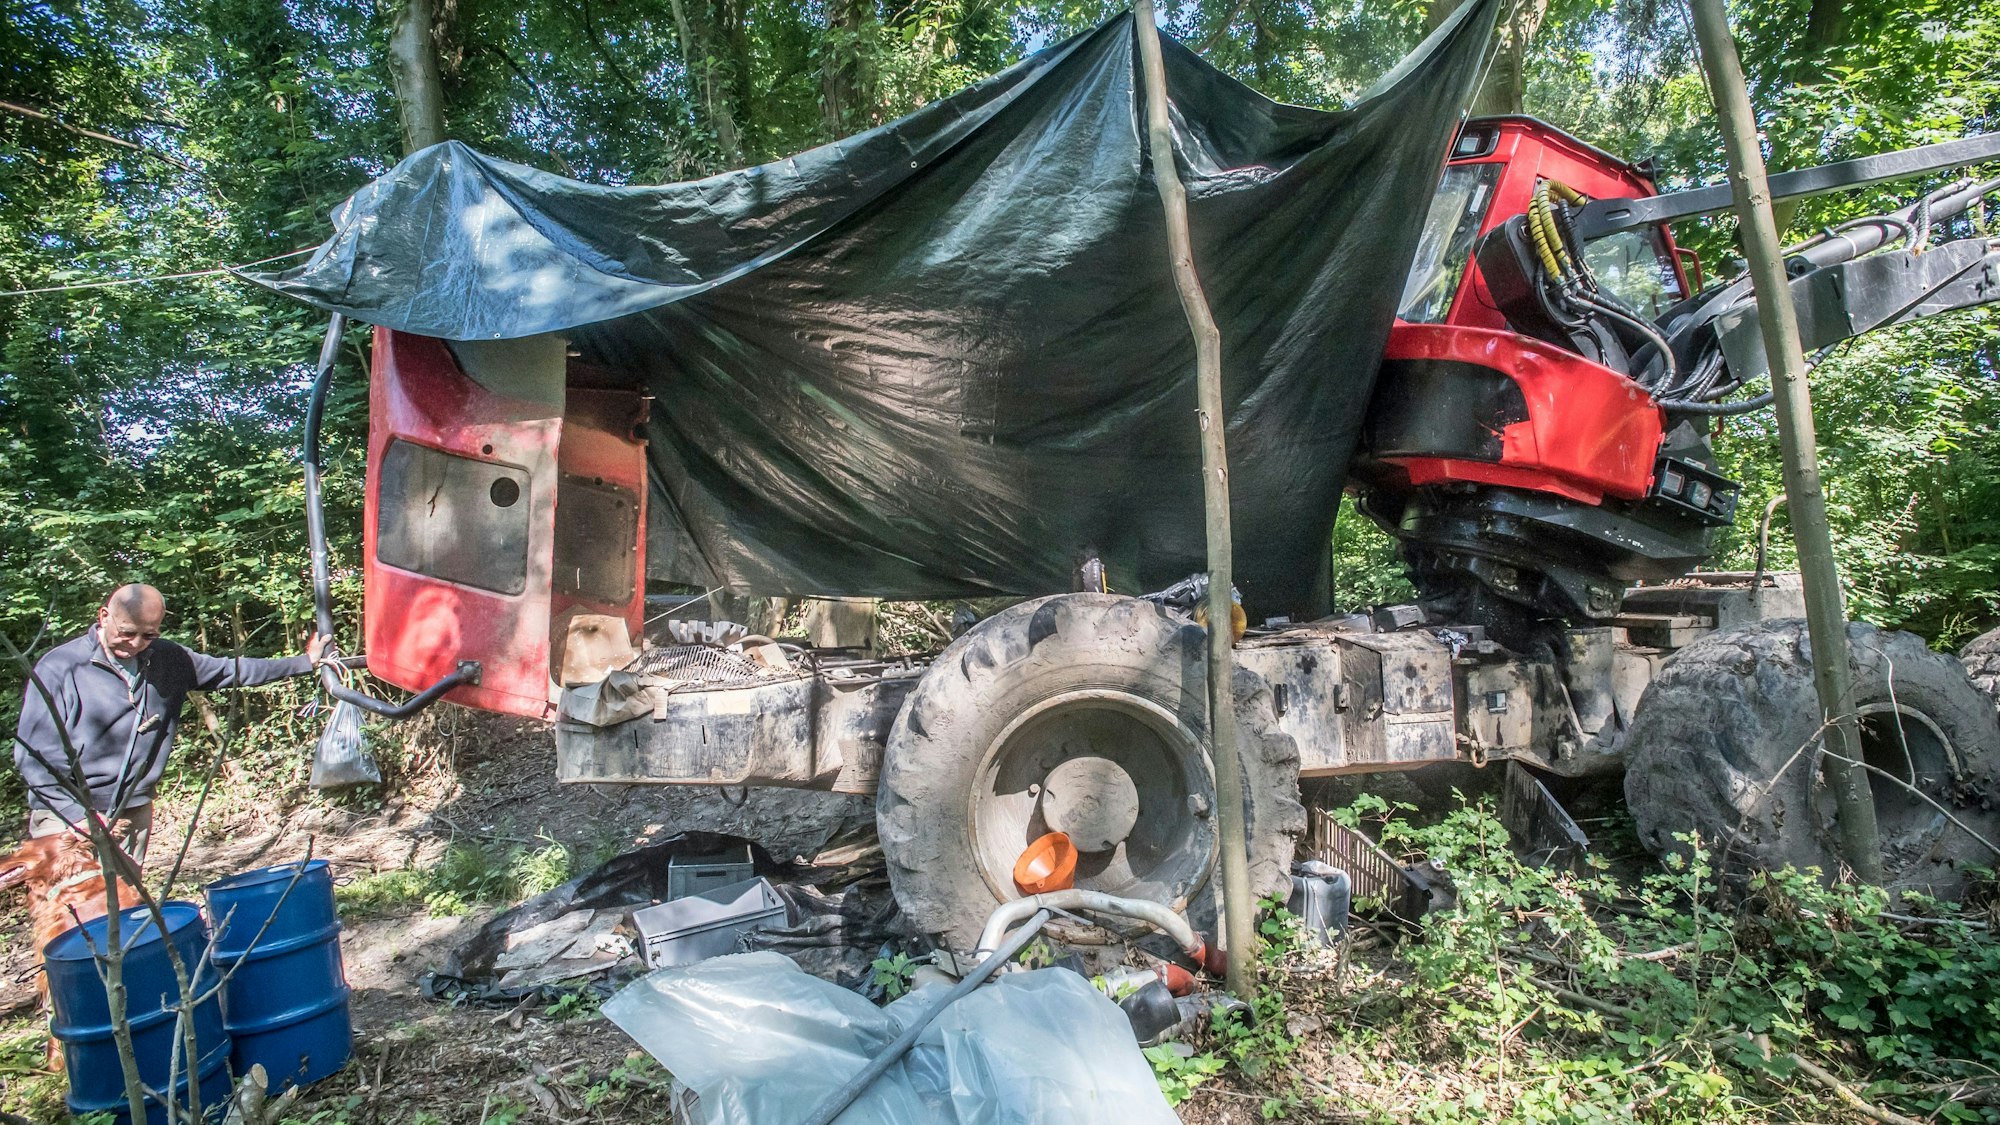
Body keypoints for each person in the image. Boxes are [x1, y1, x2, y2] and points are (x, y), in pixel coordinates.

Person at [10, 584, 326, 864]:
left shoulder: (167, 659)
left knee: (128, 904)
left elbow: (230, 670)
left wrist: (303, 662)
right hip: (65, 813)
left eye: (148, 635)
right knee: (69, 908)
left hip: (131, 809)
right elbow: (35, 756)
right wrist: (77, 815)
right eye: (127, 632)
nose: (136, 643)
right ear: (104, 616)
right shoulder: (61, 667)